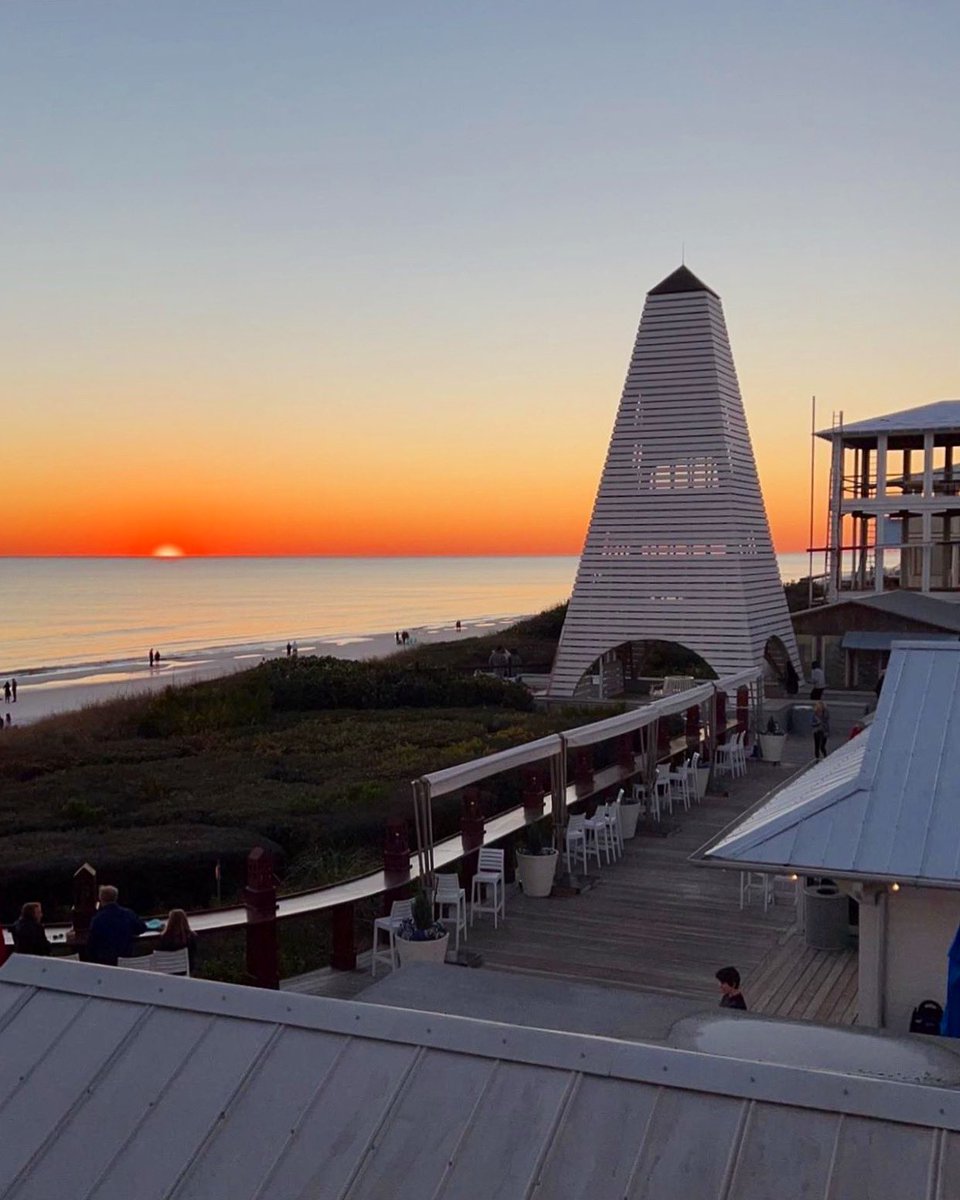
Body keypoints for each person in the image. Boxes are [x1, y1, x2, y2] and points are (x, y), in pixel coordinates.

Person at [85, 885, 147, 966]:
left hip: (105, 963)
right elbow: (141, 928)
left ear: (100, 899)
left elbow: (91, 944)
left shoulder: (97, 919)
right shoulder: (128, 913)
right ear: (116, 897)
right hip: (126, 960)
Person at [157, 908, 198, 974]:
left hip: (168, 969)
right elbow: (194, 952)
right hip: (186, 969)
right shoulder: (191, 936)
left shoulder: (165, 937)